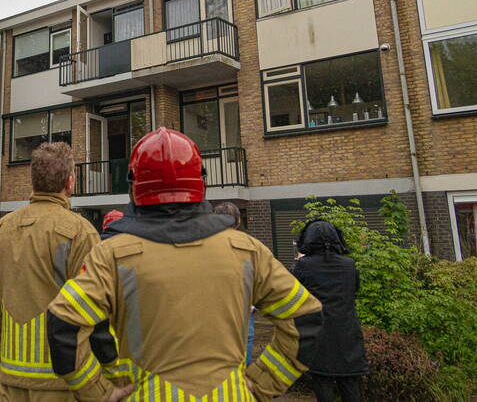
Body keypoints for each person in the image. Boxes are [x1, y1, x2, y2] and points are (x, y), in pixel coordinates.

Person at [46, 128, 323, 401]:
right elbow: (304, 317)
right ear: (201, 181)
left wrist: (98, 393)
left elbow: (64, 322)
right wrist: (261, 384)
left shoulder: (112, 255)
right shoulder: (246, 250)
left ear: (133, 185)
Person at [0, 141, 113, 401]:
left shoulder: (1, 230)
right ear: (70, 182)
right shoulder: (81, 233)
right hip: (64, 388)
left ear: (33, 181)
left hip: (9, 385)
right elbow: (97, 318)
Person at [292, 220, 369, 402]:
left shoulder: (304, 266)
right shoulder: (349, 264)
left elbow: (294, 296)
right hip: (347, 331)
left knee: (322, 382)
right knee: (350, 384)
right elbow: (354, 290)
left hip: (319, 334)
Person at [214, 201, 256, 365]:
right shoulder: (252, 247)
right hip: (245, 308)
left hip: (216, 309)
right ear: (238, 221)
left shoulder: (203, 247)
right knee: (245, 345)